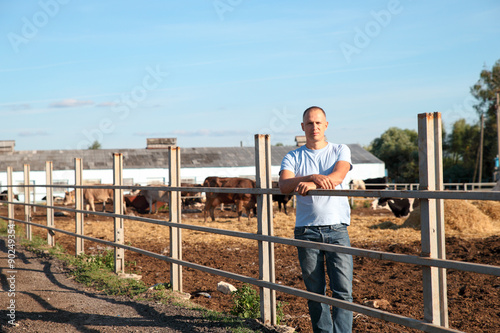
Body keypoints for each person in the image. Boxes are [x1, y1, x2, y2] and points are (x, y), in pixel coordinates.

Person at [279, 106, 353, 333]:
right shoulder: (292, 156)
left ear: (326, 125)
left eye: (319, 123)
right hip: (306, 229)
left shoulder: (340, 150)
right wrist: (311, 176)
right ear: (303, 127)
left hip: (336, 227)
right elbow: (284, 186)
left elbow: (338, 176)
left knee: (343, 290)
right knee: (314, 292)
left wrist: (311, 184)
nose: (314, 127)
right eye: (309, 123)